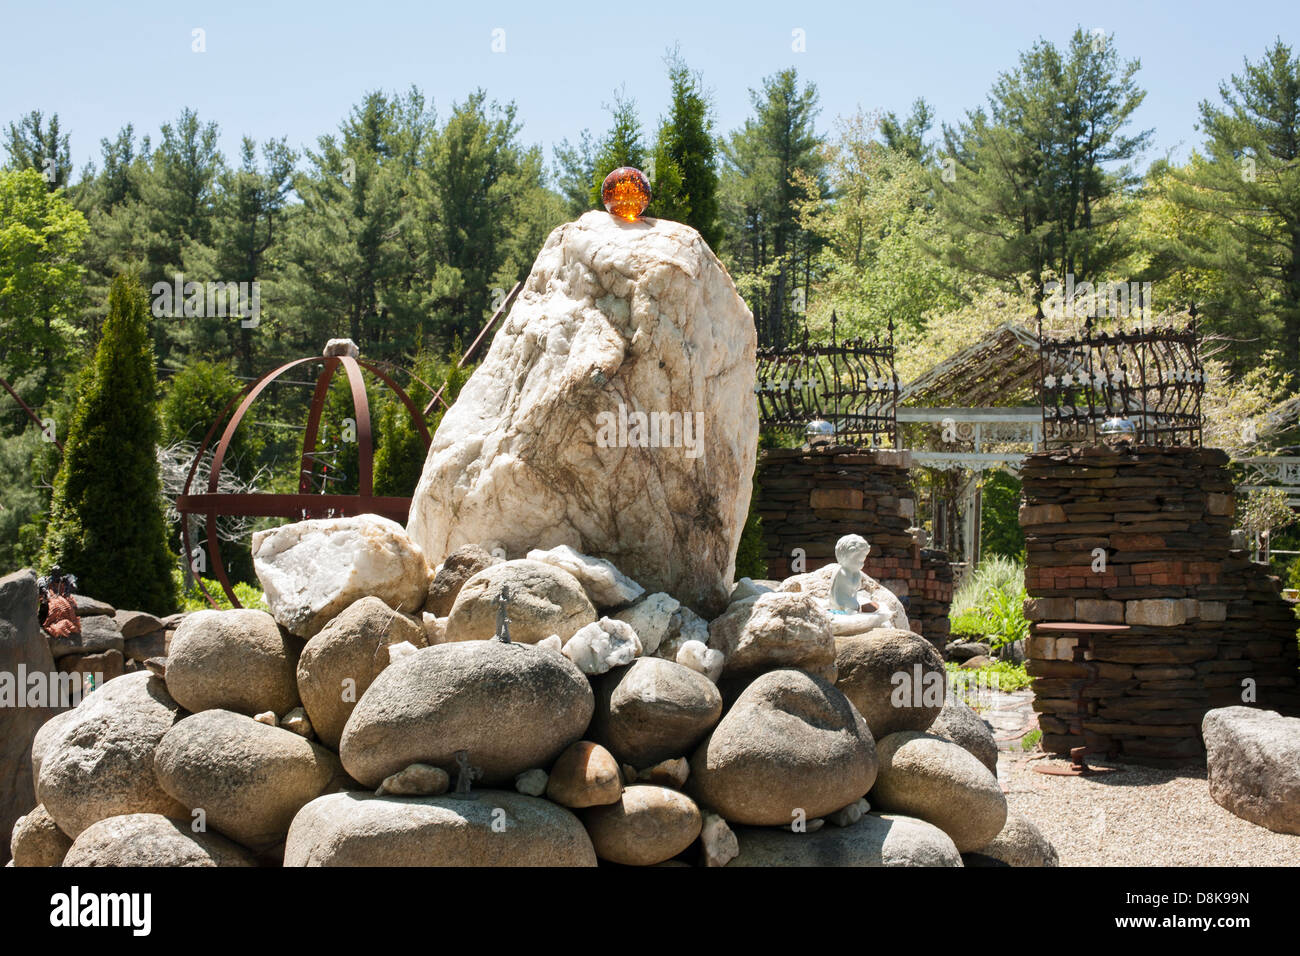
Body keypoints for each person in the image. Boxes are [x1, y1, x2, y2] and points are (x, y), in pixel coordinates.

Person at [38, 566, 82, 639]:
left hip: (63, 598)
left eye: (58, 573)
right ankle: (47, 621)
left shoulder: (64, 580)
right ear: (52, 573)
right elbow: (41, 581)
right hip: (50, 599)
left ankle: (65, 622)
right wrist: (44, 590)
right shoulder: (47, 580)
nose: (56, 575)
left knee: (67, 607)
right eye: (54, 573)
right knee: (48, 606)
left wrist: (72, 584)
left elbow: (71, 579)